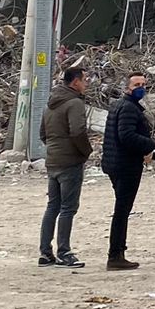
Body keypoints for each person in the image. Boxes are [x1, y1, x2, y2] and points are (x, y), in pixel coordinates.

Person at [101, 72, 155, 271]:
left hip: (116, 163)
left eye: (143, 84)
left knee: (122, 210)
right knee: (122, 211)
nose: (141, 88)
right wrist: (150, 145)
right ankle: (116, 254)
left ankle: (118, 251)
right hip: (125, 165)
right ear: (127, 87)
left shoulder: (119, 106)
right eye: (137, 84)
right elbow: (127, 136)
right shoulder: (128, 108)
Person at [38, 65, 91, 268]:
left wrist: (54, 148)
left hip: (53, 161)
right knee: (68, 208)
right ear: (75, 81)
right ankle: (64, 252)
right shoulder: (74, 103)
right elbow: (78, 132)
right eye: (84, 79)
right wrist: (85, 152)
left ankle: (45, 252)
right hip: (70, 162)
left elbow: (43, 134)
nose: (86, 83)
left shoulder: (50, 104)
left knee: (52, 206)